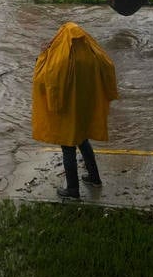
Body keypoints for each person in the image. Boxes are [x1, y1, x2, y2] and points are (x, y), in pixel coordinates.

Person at [32, 22, 119, 199]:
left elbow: (43, 79)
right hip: (83, 109)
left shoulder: (60, 59)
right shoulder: (92, 54)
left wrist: (44, 54)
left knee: (68, 148)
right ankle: (94, 178)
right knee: (83, 141)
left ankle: (72, 189)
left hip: (66, 110)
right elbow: (108, 66)